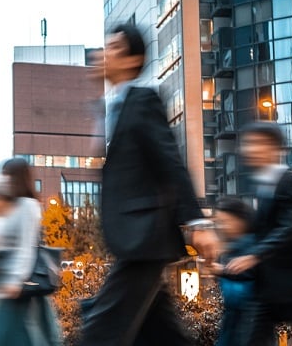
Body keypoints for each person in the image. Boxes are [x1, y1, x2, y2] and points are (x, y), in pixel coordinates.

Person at [81, 22, 218, 346]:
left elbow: (169, 160)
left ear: (131, 60)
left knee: (101, 330)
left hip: (144, 239)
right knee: (161, 336)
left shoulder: (143, 100)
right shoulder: (110, 107)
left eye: (113, 48)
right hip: (135, 239)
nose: (103, 53)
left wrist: (196, 221)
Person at [224, 123, 292, 346]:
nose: (249, 149)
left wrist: (254, 256)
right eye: (248, 144)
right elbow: (259, 234)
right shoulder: (263, 186)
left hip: (288, 284)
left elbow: (291, 227)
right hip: (266, 288)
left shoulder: (289, 182)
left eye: (256, 143)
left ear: (274, 148)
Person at [0, 159, 61, 346]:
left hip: (17, 284)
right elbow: (9, 237)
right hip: (9, 284)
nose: (4, 181)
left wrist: (17, 280)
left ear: (16, 177)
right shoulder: (16, 206)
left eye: (7, 176)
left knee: (1, 338)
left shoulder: (27, 206)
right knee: (23, 336)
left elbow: (27, 247)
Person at [210, 198, 256, 346]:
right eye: (219, 222)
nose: (222, 227)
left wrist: (223, 271)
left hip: (249, 321)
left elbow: (252, 277)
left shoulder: (251, 244)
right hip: (233, 321)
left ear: (240, 220)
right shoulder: (229, 248)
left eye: (226, 221)